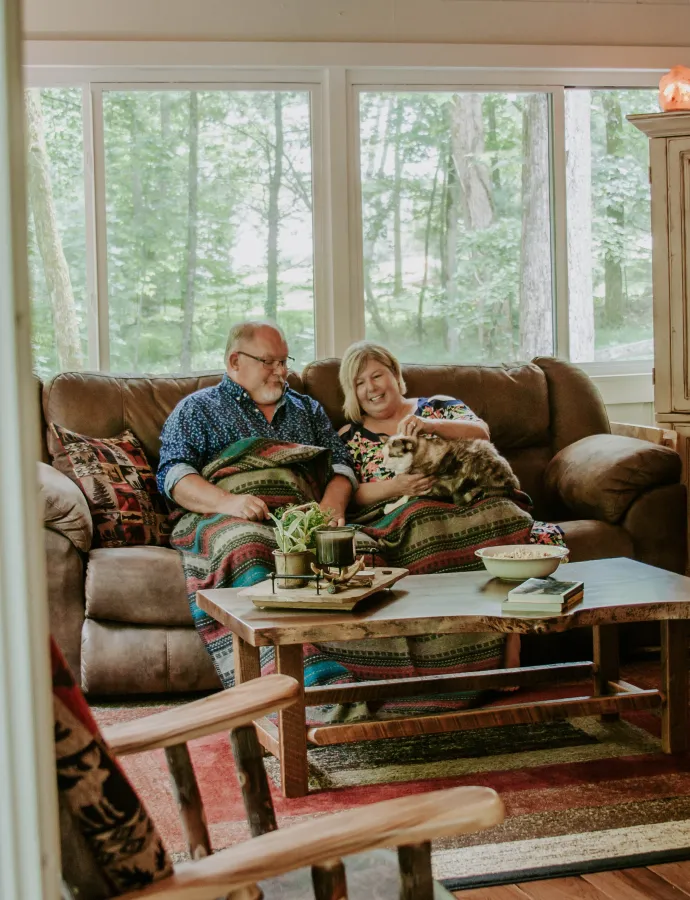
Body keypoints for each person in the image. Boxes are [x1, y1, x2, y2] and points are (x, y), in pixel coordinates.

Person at [330, 342, 566, 710]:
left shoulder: (437, 405)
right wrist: (397, 486)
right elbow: (353, 494)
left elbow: (481, 433)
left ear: (395, 374)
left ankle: (511, 638)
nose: (372, 388)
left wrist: (428, 425)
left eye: (378, 375)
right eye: (359, 382)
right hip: (408, 511)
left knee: (502, 514)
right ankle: (461, 661)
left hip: (471, 497)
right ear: (351, 391)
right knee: (425, 523)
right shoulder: (349, 436)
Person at [157, 321, 356, 686]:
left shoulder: (307, 410)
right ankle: (299, 682)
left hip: (303, 515)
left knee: (359, 548)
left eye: (284, 361)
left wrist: (331, 506)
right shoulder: (197, 409)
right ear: (235, 361)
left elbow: (342, 465)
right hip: (225, 515)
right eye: (270, 362)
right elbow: (174, 475)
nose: (282, 372)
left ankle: (385, 676)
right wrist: (228, 501)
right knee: (247, 546)